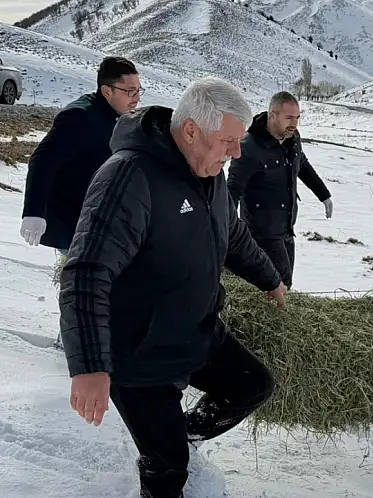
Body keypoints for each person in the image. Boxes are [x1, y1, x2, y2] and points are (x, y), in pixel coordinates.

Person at [58, 76, 287, 498]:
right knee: (168, 469)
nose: (237, 152)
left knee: (252, 385)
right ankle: (164, 456)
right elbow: (86, 272)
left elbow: (232, 234)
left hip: (194, 331)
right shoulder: (129, 177)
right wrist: (89, 366)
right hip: (139, 354)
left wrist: (270, 279)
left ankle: (176, 437)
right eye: (229, 141)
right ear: (191, 130)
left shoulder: (208, 171)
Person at [20, 55, 142, 254]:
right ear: (107, 91)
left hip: (102, 222)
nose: (136, 98)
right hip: (73, 226)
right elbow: (42, 161)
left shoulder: (117, 116)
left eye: (138, 90)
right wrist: (34, 212)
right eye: (130, 91)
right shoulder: (79, 117)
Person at [227, 91, 333, 289]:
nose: (295, 123)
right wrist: (224, 226)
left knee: (282, 282)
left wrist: (324, 195)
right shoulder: (250, 146)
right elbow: (233, 188)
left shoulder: (293, 138)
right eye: (289, 117)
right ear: (273, 115)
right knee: (280, 282)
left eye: (297, 117)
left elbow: (302, 165)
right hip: (261, 230)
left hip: (286, 227)